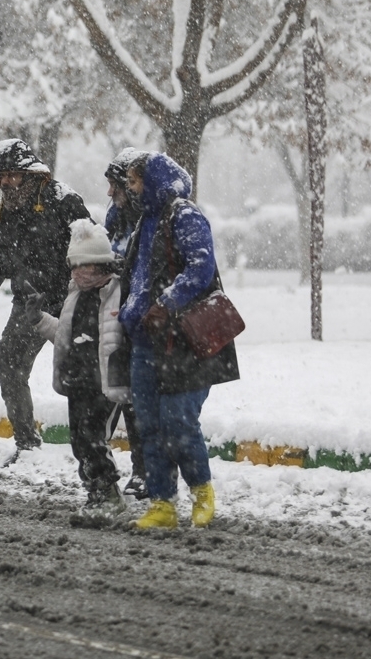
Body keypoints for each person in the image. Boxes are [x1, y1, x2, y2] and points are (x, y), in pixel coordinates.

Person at [118, 153, 239, 529]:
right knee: (149, 426)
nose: (131, 189)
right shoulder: (145, 221)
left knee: (178, 421)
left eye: (136, 182)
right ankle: (162, 504)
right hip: (144, 341)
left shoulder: (183, 215)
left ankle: (202, 493)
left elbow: (200, 269)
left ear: (154, 180)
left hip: (182, 342)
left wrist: (165, 303)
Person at [0, 138, 93, 463]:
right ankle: (27, 444)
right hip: (29, 305)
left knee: (87, 375)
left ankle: (96, 448)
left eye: (12, 174)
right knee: (8, 367)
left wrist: (85, 288)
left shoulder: (63, 200)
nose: (7, 182)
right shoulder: (7, 209)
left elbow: (91, 243)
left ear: (28, 172)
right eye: (1, 177)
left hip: (70, 303)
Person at [23, 219, 129, 517]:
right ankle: (95, 491)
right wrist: (39, 319)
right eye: (74, 267)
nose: (77, 273)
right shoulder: (75, 295)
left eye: (84, 267)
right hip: (78, 381)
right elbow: (65, 336)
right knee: (79, 440)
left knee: (94, 436)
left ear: (100, 267)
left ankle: (109, 492)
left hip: (105, 383)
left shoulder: (118, 295)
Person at [103, 149, 151, 500]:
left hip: (142, 319)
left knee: (138, 401)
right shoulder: (116, 216)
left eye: (114, 185)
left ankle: (146, 470)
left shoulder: (149, 219)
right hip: (115, 315)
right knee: (114, 392)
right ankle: (105, 469)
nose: (109, 193)